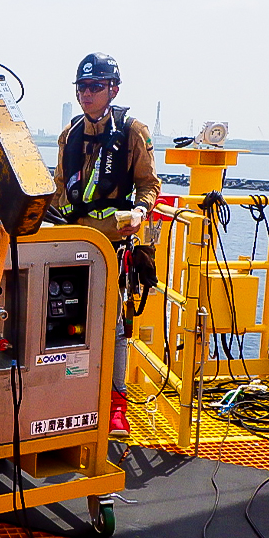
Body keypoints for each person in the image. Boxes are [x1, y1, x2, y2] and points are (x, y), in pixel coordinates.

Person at [52, 52, 161, 437]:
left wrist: (140, 212)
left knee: (113, 328)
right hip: (73, 242)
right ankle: (68, 397)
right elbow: (57, 191)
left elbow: (149, 183)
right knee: (64, 323)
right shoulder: (70, 136)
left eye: (95, 86)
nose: (87, 94)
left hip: (112, 247)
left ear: (113, 89)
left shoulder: (132, 132)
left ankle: (117, 406)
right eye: (82, 87)